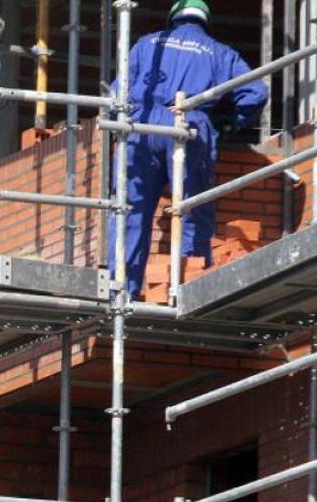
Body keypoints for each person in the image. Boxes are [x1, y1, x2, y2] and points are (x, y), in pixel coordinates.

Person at [107, 0, 268, 300]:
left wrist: (123, 120)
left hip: (142, 125)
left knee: (128, 208)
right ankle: (190, 284)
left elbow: (118, 91)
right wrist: (232, 122)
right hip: (189, 122)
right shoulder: (219, 52)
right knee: (193, 206)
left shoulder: (147, 44)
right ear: (204, 21)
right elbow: (255, 92)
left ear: (173, 18)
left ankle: (120, 290)